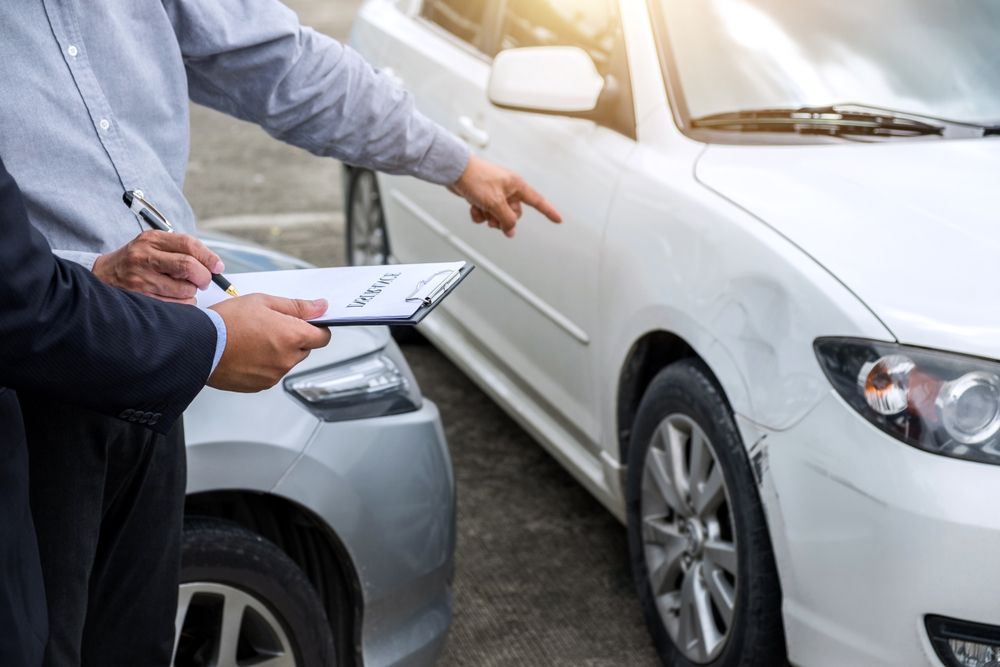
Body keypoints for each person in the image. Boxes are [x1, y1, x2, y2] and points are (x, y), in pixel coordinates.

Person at [0, 1, 562, 664]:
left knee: (135, 643)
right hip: (29, 393)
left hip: (157, 368)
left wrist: (455, 162)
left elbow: (280, 60)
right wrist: (94, 274)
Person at [0, 156, 332, 665]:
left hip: (138, 371)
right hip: (48, 388)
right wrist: (212, 344)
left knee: (131, 639)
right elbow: (19, 302)